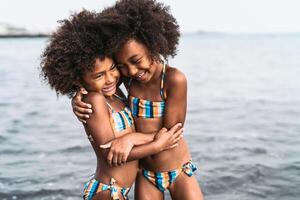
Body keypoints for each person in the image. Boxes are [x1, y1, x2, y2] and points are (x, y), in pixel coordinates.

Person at [40, 10, 184, 200]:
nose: (110, 79)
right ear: (77, 80)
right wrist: (156, 146)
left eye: (113, 68)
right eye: (99, 76)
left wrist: (131, 139)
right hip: (107, 191)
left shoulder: (115, 92)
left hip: (118, 191)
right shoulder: (95, 100)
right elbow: (109, 152)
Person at [72, 0, 205, 199]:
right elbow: (97, 83)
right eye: (122, 65)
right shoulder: (127, 80)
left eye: (136, 61)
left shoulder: (173, 79)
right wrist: (76, 99)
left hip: (178, 170)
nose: (132, 71)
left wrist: (130, 138)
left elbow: (172, 133)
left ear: (153, 46)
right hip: (145, 174)